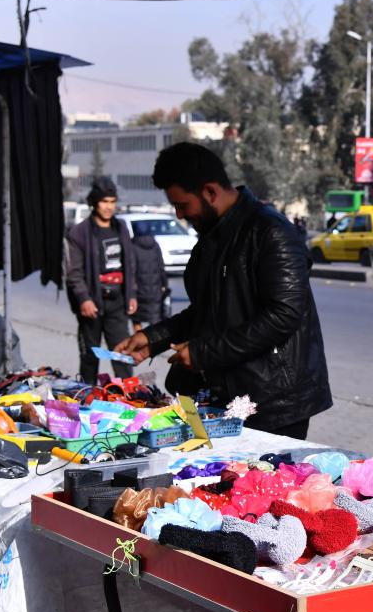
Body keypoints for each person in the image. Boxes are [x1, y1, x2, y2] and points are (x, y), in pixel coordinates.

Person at [116, 142, 333, 439]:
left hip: (273, 403)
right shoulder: (213, 235)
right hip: (226, 393)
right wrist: (153, 339)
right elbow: (207, 309)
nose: (180, 215)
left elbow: (283, 314)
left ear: (210, 192)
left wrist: (203, 352)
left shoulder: (271, 232)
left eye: (183, 205)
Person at [64, 177, 137, 384]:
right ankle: (88, 396)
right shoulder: (79, 233)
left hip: (117, 303)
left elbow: (130, 264)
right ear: (95, 202)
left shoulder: (121, 227)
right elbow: (74, 272)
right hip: (92, 304)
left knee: (122, 356)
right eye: (105, 201)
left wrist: (131, 294)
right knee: (90, 357)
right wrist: (84, 299)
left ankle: (128, 398)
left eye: (112, 202)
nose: (109, 207)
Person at [130, 233, 168, 327]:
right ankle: (155, 341)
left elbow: (131, 269)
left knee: (136, 319)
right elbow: (161, 267)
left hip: (139, 291)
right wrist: (165, 284)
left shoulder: (132, 246)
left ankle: (138, 340)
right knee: (155, 321)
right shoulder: (155, 245)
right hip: (155, 290)